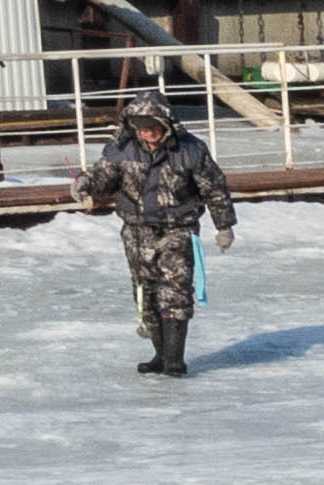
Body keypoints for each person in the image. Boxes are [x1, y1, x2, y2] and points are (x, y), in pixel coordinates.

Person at [78, 85, 238, 378]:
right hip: (137, 232)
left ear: (166, 123)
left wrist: (224, 225)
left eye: (153, 127)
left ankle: (175, 360)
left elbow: (214, 188)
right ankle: (159, 355)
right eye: (141, 128)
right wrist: (84, 183)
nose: (147, 134)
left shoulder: (190, 150)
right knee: (145, 292)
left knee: (174, 293)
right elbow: (104, 177)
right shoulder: (122, 149)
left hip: (177, 230)